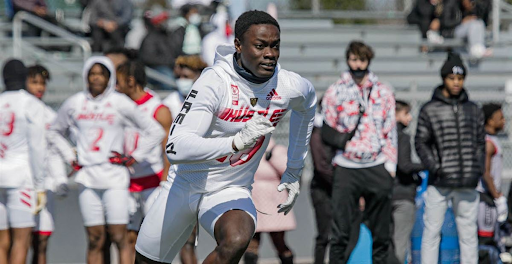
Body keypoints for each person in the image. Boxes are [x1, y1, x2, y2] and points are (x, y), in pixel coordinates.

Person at [134, 10, 316, 264]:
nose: (270, 54)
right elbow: (175, 147)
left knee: (238, 238)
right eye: (260, 46)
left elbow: (308, 106)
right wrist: (234, 142)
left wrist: (294, 170)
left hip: (230, 189)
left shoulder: (288, 85)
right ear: (238, 45)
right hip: (184, 185)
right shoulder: (214, 82)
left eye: (275, 46)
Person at [48, 56, 165, 264]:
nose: (96, 78)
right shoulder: (75, 102)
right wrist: (69, 156)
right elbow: (54, 132)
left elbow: (154, 131)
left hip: (115, 178)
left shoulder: (120, 103)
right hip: (87, 179)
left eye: (101, 74)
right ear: (85, 76)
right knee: (95, 239)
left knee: (120, 237)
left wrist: (134, 157)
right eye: (92, 73)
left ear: (109, 77)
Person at [321, 40, 397, 263]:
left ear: (368, 60)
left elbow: (390, 129)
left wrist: (390, 165)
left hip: (376, 163)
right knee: (341, 231)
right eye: (353, 59)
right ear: (347, 60)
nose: (357, 65)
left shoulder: (383, 91)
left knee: (382, 233)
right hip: (347, 165)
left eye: (362, 59)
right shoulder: (335, 90)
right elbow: (327, 127)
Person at [415, 52, 484, 264]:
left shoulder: (473, 109)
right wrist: (436, 167)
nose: (456, 83)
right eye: (452, 78)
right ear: (444, 78)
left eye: (460, 78)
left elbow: (481, 143)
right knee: (432, 232)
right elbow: (421, 142)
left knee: (469, 234)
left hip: (467, 182)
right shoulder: (430, 109)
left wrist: (476, 169)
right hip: (440, 182)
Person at [114, 60, 173, 262]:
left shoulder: (158, 109)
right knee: (126, 238)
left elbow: (169, 150)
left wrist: (165, 181)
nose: (115, 87)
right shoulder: (118, 106)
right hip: (126, 182)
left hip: (152, 182)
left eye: (118, 82)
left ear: (130, 81)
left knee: (153, 239)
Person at [0, 59, 47, 264]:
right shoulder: (31, 104)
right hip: (21, 180)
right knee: (21, 240)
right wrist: (40, 185)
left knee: (1, 241)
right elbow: (37, 147)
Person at [26, 65, 74, 264]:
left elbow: (53, 152)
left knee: (42, 240)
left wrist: (60, 179)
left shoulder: (50, 116)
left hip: (44, 186)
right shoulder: (15, 109)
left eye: (43, 83)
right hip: (22, 183)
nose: (39, 87)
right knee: (20, 239)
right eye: (34, 82)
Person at [244, 141, 296, 264]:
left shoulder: (276, 150)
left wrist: (272, 157)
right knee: (252, 244)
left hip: (274, 202)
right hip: (253, 202)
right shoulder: (246, 151)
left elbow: (290, 173)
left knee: (279, 242)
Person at [391, 100, 425, 263]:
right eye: (406, 113)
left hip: (385, 194)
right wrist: (426, 166)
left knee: (386, 242)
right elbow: (404, 165)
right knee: (400, 242)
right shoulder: (402, 137)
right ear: (396, 115)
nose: (410, 118)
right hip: (403, 194)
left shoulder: (381, 135)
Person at [476, 103, 507, 245]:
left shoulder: (493, 139)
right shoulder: (487, 142)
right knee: (485, 240)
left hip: (490, 197)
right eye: (500, 118)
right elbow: (486, 172)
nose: (504, 121)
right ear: (490, 121)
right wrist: (497, 196)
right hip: (486, 198)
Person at [309, 97, 333, 264]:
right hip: (323, 189)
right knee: (324, 234)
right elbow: (321, 166)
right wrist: (342, 183)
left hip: (337, 187)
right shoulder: (318, 131)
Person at [139, 7, 179, 90]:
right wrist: (170, 62)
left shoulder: (167, 35)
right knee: (168, 77)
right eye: (163, 20)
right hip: (155, 69)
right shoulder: (150, 38)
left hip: (170, 66)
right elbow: (148, 58)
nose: (166, 22)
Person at [162, 55, 208, 119]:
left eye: (186, 77)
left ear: (199, 77)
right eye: (178, 77)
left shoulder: (209, 100)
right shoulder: (170, 102)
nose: (181, 80)